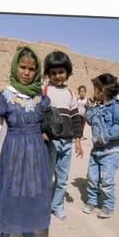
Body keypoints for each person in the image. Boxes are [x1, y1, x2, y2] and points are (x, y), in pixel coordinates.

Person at [0, 46, 52, 237]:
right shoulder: (6, 95)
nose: (26, 72)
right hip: (14, 148)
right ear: (15, 67)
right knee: (14, 186)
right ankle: (11, 225)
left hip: (36, 151)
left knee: (32, 187)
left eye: (31, 69)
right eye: (22, 67)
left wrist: (48, 132)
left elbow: (47, 120)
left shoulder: (40, 97)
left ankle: (31, 225)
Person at [42, 51, 84, 221]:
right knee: (47, 176)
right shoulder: (44, 91)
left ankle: (57, 206)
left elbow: (75, 119)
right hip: (50, 143)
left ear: (67, 72)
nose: (58, 76)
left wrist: (78, 141)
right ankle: (44, 206)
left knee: (62, 179)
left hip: (66, 143)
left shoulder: (71, 94)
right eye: (53, 73)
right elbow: (38, 115)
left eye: (61, 72)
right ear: (48, 74)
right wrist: (41, 132)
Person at [83, 73, 119, 219]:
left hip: (110, 152)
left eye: (95, 89)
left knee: (107, 181)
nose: (93, 92)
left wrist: (107, 135)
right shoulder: (97, 107)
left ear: (101, 90)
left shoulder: (115, 108)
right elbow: (89, 121)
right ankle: (91, 201)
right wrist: (89, 108)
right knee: (92, 178)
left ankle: (108, 205)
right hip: (96, 151)